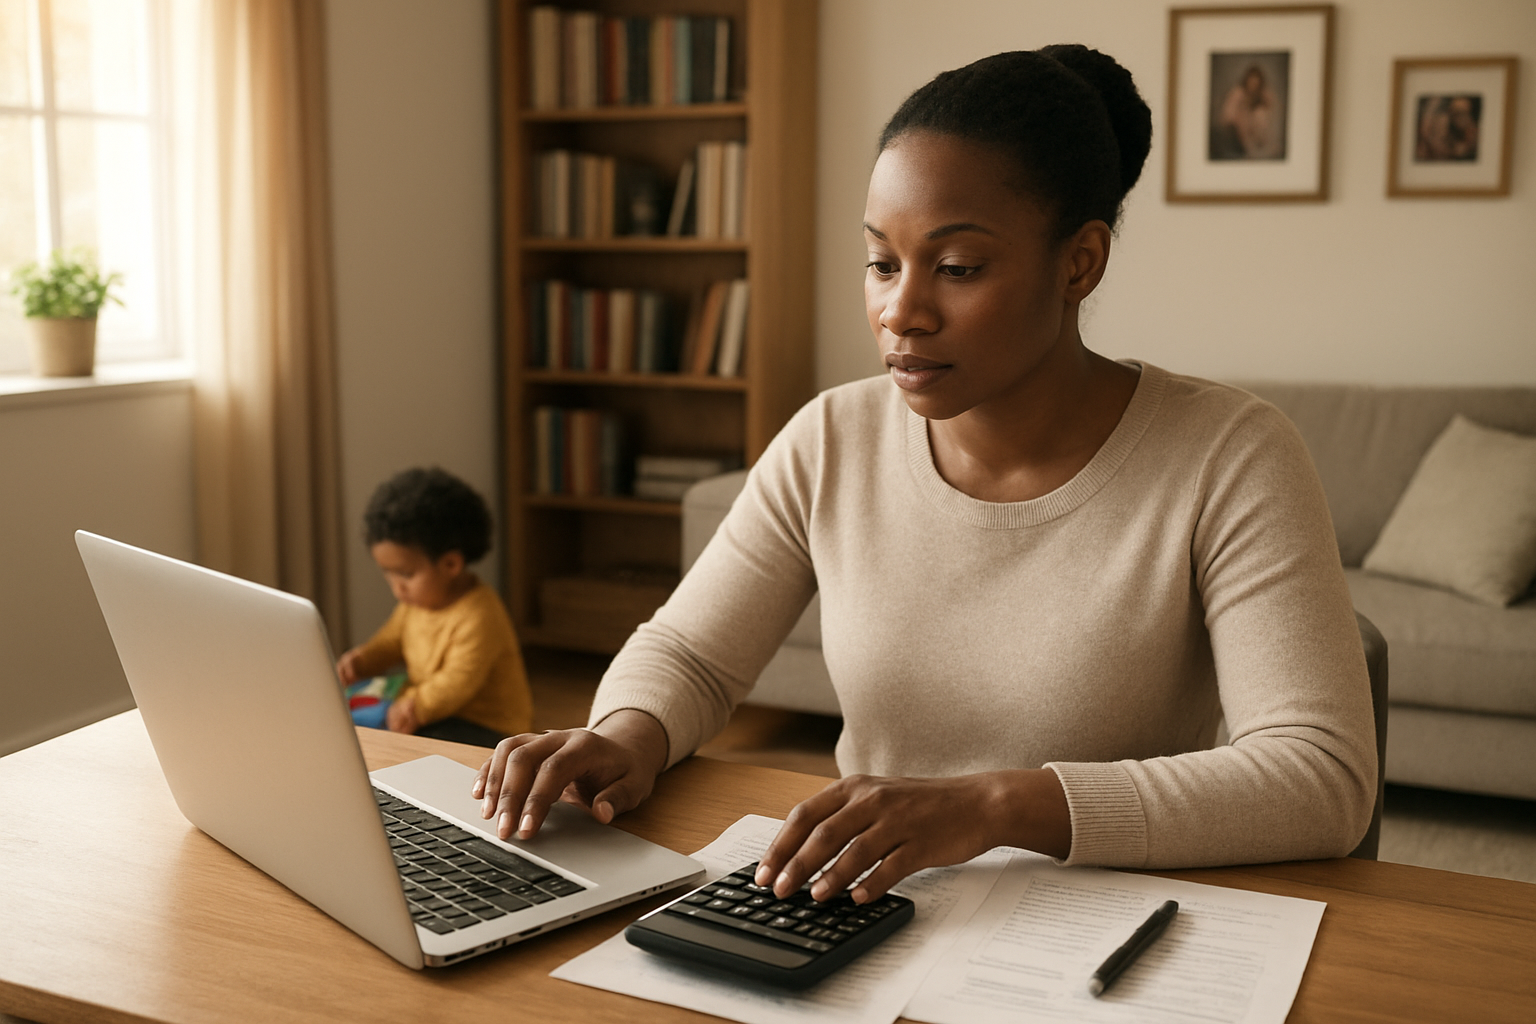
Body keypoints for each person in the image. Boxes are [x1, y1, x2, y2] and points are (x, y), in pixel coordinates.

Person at [474, 47, 1376, 906]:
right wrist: (625, 735)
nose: (900, 310)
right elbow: (692, 653)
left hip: (1106, 928)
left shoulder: (1231, 455)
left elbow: (1320, 775)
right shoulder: (832, 437)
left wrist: (992, 807)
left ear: (1080, 262)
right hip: (870, 904)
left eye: (956, 268)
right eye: (881, 263)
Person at [336, 467, 532, 747]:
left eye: (405, 574)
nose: (397, 588)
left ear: (451, 564)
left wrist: (417, 705)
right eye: (388, 574)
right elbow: (390, 642)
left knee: (405, 741)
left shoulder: (480, 614)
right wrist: (363, 660)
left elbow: (457, 682)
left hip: (487, 728)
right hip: (436, 712)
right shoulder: (414, 604)